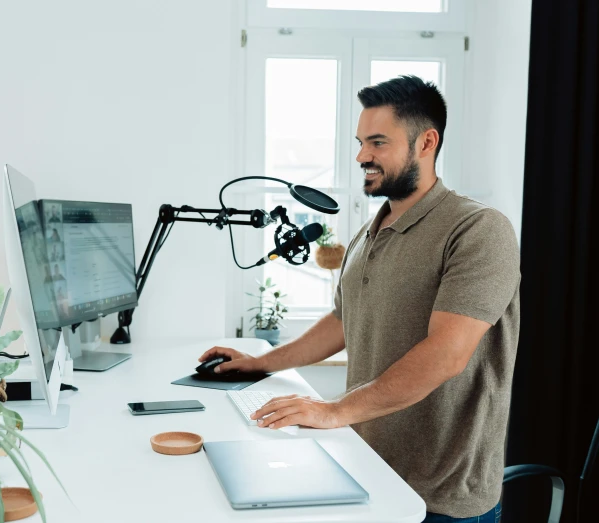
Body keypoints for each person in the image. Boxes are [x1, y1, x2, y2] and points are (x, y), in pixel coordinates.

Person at [199, 75, 519, 522]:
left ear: (426, 143)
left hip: (442, 498)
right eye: (360, 142)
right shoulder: (369, 235)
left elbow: (447, 354)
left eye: (377, 142)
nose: (361, 156)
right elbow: (343, 321)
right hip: (367, 471)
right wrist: (261, 361)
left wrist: (334, 410)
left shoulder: (478, 230)